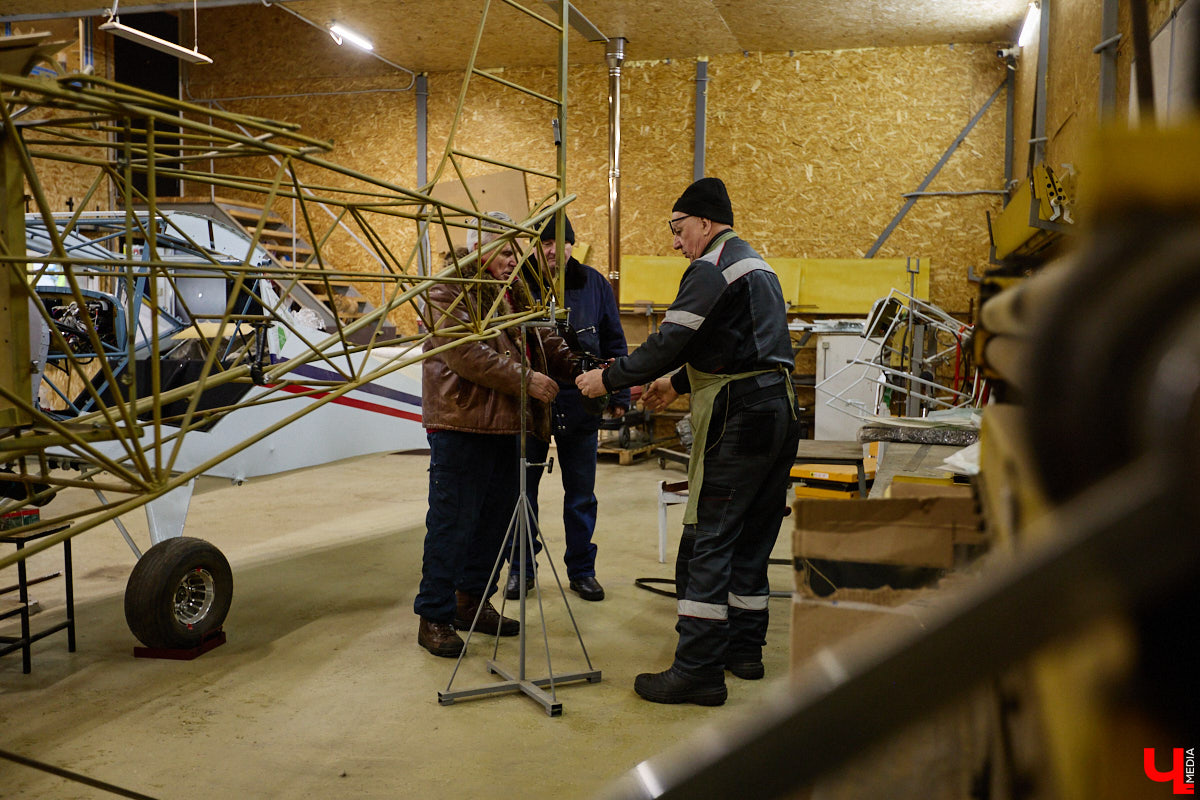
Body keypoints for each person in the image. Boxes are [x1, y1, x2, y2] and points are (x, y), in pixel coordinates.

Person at [576, 178, 800, 705]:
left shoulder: (711, 267)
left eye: (679, 230)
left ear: (704, 221)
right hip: (780, 412)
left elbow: (672, 339)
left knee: (709, 539)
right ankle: (744, 652)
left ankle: (698, 670)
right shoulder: (756, 265)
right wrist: (676, 384)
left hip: (739, 417)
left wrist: (608, 379)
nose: (676, 242)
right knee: (752, 536)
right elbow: (736, 341)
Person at [414, 212, 578, 658]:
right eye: (504, 251)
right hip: (463, 423)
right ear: (479, 249)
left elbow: (542, 339)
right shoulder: (448, 289)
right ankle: (434, 615)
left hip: (507, 424)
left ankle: (471, 602)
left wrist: (584, 366)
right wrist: (527, 380)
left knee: (495, 523)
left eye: (514, 252)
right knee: (452, 522)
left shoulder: (514, 290)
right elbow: (466, 353)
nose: (512, 260)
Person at [504, 215, 630, 603]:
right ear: (534, 247)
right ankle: (521, 569)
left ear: (573, 245)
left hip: (581, 400)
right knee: (522, 491)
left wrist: (619, 394)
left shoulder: (594, 284)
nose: (554, 252)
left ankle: (582, 571)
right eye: (545, 244)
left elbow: (614, 340)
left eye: (562, 244)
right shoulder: (516, 284)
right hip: (530, 402)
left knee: (580, 494)